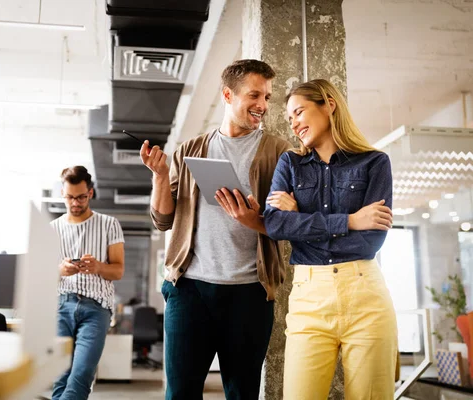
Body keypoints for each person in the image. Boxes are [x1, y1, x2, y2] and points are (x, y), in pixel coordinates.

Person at [140, 59, 292, 399]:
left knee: (242, 393)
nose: (263, 106)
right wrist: (160, 176)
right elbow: (163, 220)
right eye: (255, 95)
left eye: (267, 97)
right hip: (189, 290)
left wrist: (257, 219)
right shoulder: (191, 150)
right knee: (180, 393)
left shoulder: (278, 152)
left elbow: (292, 225)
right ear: (227, 95)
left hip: (250, 293)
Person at [261, 79, 397, 399]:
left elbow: (371, 241)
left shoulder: (375, 162)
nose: (293, 123)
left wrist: (300, 221)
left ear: (329, 105)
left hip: (366, 296)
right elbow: (275, 225)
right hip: (309, 298)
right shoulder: (290, 164)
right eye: (289, 118)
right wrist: (350, 220)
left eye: (299, 112)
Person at [51, 166, 125, 400]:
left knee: (81, 375)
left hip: (96, 309)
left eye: (81, 197)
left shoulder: (109, 224)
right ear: (63, 194)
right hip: (61, 306)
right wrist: (60, 270)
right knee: (59, 376)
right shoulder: (52, 229)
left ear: (90, 193)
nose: (75, 202)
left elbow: (118, 270)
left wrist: (99, 267)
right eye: (70, 197)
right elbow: (44, 275)